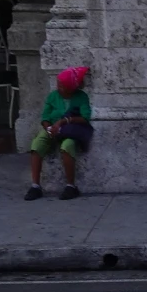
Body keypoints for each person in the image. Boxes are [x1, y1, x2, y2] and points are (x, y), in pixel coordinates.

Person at [25, 64, 93, 201]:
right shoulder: (52, 97)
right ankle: (35, 186)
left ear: (70, 88)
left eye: (62, 86)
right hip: (52, 129)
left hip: (71, 130)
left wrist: (64, 121)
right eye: (58, 85)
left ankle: (70, 186)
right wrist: (48, 128)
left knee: (67, 147)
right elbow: (45, 116)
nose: (58, 88)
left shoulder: (81, 97)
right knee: (37, 145)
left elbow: (85, 118)